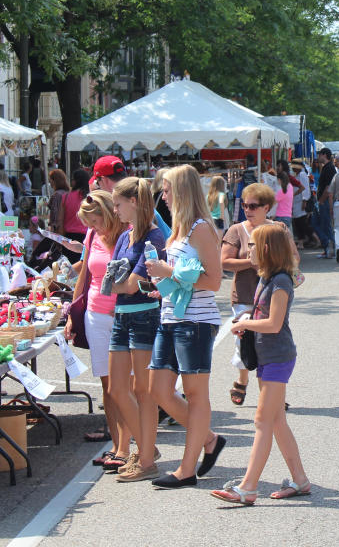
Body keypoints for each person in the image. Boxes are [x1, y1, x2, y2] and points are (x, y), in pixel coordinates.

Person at [142, 165, 227, 488]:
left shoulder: (202, 229)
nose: (162, 195)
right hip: (171, 317)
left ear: (180, 192)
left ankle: (187, 469)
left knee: (194, 394)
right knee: (158, 390)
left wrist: (169, 273)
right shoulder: (180, 229)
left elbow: (214, 281)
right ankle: (208, 439)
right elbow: (183, 277)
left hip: (195, 321)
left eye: (165, 190)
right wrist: (164, 281)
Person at [214, 224, 310, 505]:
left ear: (266, 249)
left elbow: (274, 323)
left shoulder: (280, 281)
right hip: (268, 356)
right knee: (277, 420)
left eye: (253, 246)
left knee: (262, 421)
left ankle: (247, 487)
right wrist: (247, 323)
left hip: (278, 357)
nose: (249, 250)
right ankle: (300, 479)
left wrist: (245, 322)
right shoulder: (268, 278)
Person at [63, 190, 132, 470]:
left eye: (94, 221)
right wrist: (71, 313)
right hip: (94, 314)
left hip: (123, 315)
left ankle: (130, 446)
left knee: (125, 386)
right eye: (87, 224)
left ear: (107, 213)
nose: (91, 228)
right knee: (107, 385)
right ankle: (116, 446)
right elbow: (85, 275)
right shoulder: (92, 236)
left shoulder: (128, 234)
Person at [105, 177, 166, 482]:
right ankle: (146, 449)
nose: (114, 210)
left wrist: (115, 285)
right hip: (122, 315)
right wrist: (116, 285)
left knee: (144, 390)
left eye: (118, 204)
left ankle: (145, 457)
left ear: (134, 203)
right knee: (118, 388)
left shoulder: (153, 237)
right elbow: (116, 280)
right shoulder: (124, 237)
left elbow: (128, 284)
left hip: (144, 315)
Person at [221, 182, 298, 406]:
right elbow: (224, 262)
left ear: (267, 207)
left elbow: (294, 258)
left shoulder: (279, 229)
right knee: (246, 342)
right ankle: (244, 379)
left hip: (273, 292)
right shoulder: (237, 230)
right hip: (245, 294)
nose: (248, 209)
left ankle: (269, 392)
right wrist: (251, 262)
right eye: (245, 205)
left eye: (253, 205)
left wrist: (273, 264)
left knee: (269, 341)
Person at [313, 148, 336, 258]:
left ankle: (329, 247)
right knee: (318, 224)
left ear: (324, 155)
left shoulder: (329, 168)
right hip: (323, 201)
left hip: (325, 201)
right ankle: (328, 247)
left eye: (319, 155)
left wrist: (321, 201)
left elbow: (328, 187)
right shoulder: (327, 167)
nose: (318, 158)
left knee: (325, 225)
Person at [62, 168, 90, 242]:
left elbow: (60, 219)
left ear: (75, 181)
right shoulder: (91, 197)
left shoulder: (66, 197)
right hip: (87, 235)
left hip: (69, 235)